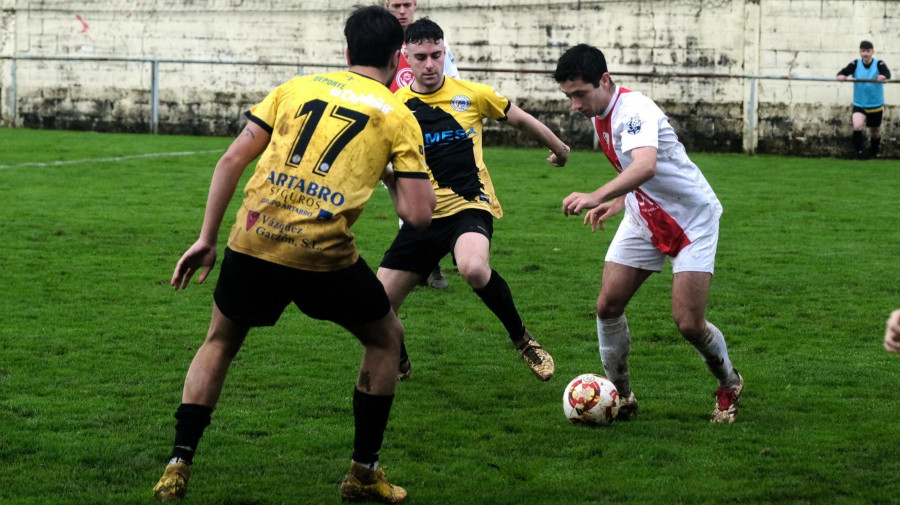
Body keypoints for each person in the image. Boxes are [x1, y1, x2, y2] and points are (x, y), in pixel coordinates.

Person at [152, 6, 435, 503]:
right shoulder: (398, 115)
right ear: (397, 59)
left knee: (219, 340)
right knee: (387, 336)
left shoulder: (296, 88)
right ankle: (363, 472)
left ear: (346, 51)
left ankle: (178, 463)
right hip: (321, 254)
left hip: (254, 237)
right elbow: (417, 216)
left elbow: (232, 158)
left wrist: (206, 238)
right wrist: (390, 173)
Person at [553, 44, 743, 423]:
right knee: (608, 305)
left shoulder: (634, 110)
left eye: (579, 94)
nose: (575, 104)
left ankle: (729, 382)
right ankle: (620, 396)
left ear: (604, 81)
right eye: (569, 96)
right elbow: (637, 173)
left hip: (692, 219)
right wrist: (620, 200)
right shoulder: (599, 114)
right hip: (644, 215)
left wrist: (596, 195)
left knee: (689, 323)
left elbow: (646, 166)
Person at [378, 18, 570, 382]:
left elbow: (521, 120)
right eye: (421, 57)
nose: (430, 64)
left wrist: (559, 149)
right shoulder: (394, 106)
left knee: (473, 268)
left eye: (437, 54)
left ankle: (523, 340)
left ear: (445, 51)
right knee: (379, 303)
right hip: (423, 216)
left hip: (470, 205)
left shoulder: (472, 93)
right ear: (406, 57)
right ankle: (398, 358)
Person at [386, 0, 461, 289]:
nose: (402, 10)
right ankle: (422, 263)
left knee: (435, 196)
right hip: (394, 133)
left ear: (414, 4)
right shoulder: (381, 40)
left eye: (406, 4)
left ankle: (434, 258)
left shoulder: (435, 43)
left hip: (432, 133)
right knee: (406, 201)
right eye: (396, 4)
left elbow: (455, 83)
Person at [837, 40, 891, 159]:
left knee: (875, 132)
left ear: (872, 52)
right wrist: (841, 75)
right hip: (860, 103)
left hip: (875, 104)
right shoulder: (855, 63)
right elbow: (844, 72)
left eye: (868, 51)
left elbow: (887, 73)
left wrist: (884, 76)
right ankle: (859, 154)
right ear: (860, 52)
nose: (865, 54)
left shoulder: (879, 63)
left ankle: (873, 153)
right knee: (857, 125)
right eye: (863, 51)